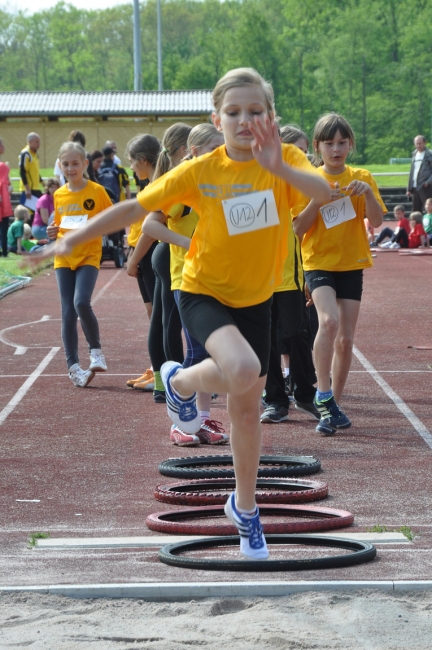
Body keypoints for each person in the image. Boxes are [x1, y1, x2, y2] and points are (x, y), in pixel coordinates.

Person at [47, 68, 331, 559]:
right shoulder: (201, 170)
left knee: (245, 407)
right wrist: (72, 238)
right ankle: (180, 383)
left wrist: (276, 165)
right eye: (235, 112)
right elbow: (138, 208)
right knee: (243, 369)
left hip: (255, 298)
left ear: (271, 116)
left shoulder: (285, 158)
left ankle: (244, 508)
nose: (246, 121)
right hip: (201, 291)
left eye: (256, 112)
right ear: (216, 119)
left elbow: (322, 193)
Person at [293, 112, 385, 436]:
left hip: (351, 264)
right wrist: (317, 202)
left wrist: (369, 195)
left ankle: (331, 409)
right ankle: (322, 392)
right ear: (317, 146)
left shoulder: (361, 176)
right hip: (318, 263)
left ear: (350, 144)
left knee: (345, 340)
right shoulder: (308, 179)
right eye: (329, 143)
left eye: (342, 142)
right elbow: (297, 229)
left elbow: (374, 222)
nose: (336, 149)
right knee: (328, 322)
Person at [143, 122, 228, 446]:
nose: (219, 154)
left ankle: (201, 419)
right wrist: (186, 241)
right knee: (196, 350)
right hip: (188, 279)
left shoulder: (225, 184)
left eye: (222, 148)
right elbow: (151, 223)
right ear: (193, 152)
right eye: (212, 149)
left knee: (211, 353)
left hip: (219, 277)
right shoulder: (183, 185)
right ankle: (180, 421)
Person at [261, 124, 319, 424]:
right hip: (257, 273)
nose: (302, 155)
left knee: (296, 331)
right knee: (266, 337)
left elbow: (299, 224)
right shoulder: (254, 175)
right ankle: (274, 399)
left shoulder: (292, 180)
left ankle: (304, 393)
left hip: (288, 273)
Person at [47, 141, 112, 388]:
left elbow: (113, 219)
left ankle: (96, 352)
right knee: (67, 311)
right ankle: (73, 368)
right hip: (64, 256)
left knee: (81, 301)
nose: (71, 168)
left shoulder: (97, 191)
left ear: (85, 164)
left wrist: (95, 226)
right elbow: (58, 225)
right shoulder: (59, 194)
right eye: (66, 164)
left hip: (89, 255)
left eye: (75, 163)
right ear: (60, 166)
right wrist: (52, 231)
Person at [123, 134, 161, 391]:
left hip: (150, 254)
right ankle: (157, 367)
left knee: (159, 317)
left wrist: (134, 258)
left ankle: (162, 371)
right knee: (153, 313)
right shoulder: (147, 185)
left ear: (144, 160)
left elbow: (151, 229)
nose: (131, 168)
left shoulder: (157, 187)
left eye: (132, 162)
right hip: (141, 253)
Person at [407, 135, 432, 212]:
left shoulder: (429, 154)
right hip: (414, 188)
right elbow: (412, 172)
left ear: (425, 143)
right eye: (416, 143)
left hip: (425, 187)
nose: (418, 145)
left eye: (420, 143)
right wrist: (409, 188)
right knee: (416, 211)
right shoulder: (414, 154)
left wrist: (428, 182)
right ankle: (418, 224)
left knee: (428, 209)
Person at [18, 132, 43, 208]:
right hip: (29, 190)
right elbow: (22, 171)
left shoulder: (35, 155)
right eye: (37, 142)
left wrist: (43, 184)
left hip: (36, 188)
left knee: (38, 211)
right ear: (30, 142)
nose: (39, 144)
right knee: (29, 215)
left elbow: (35, 172)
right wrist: (27, 189)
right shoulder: (25, 154)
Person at [0, 137, 13, 257]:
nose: (4, 147)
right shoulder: (3, 166)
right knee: (3, 226)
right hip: (2, 201)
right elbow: (3, 182)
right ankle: (4, 251)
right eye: (2, 145)